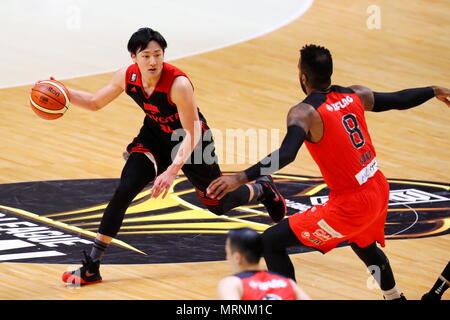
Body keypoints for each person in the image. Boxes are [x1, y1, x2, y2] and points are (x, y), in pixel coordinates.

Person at [207, 44, 450, 300]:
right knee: (363, 243)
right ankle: (394, 298)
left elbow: (287, 154)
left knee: (270, 242)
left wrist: (238, 177)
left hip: (351, 203)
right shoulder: (356, 94)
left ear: (303, 77)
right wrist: (435, 90)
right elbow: (399, 100)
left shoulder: (305, 112)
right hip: (378, 188)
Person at [60, 27, 286, 285]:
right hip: (154, 139)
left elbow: (193, 131)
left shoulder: (178, 84)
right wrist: (61, 90)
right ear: (134, 57)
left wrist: (172, 169)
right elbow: (94, 102)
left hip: (193, 142)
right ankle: (92, 266)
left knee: (217, 203)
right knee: (124, 190)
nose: (153, 61)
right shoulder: (127, 76)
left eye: (158, 54)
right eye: (146, 56)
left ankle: (262, 189)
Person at [217, 227, 310, 300]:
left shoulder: (233, 283)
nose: (227, 257)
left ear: (237, 258)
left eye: (228, 253)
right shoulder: (287, 282)